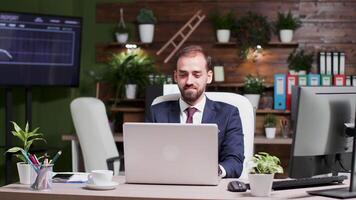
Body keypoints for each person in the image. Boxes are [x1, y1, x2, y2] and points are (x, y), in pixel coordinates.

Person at [147, 45, 244, 178]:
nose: (189, 81)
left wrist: (213, 171)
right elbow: (146, 157)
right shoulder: (156, 113)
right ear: (175, 76)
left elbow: (234, 162)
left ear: (208, 77)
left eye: (196, 74)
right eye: (183, 74)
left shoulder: (229, 114)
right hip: (167, 185)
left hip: (210, 188)